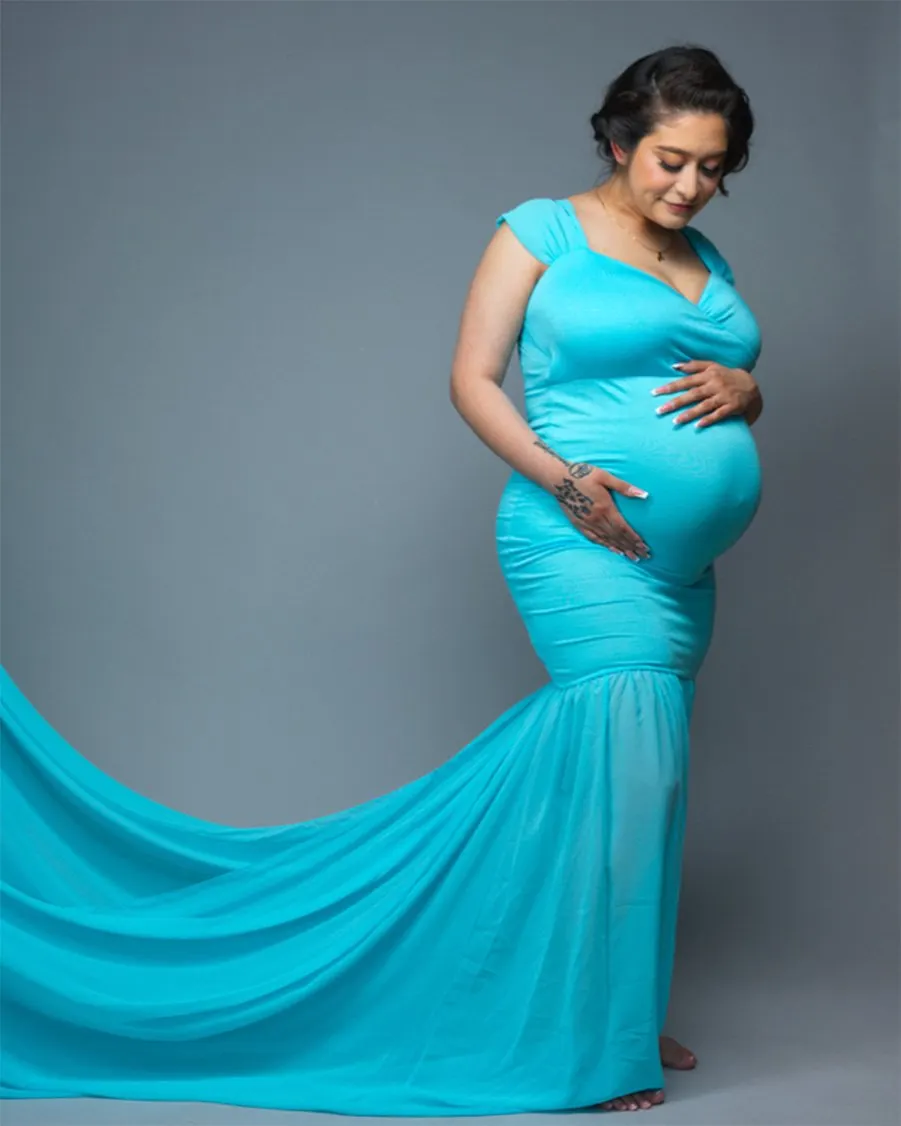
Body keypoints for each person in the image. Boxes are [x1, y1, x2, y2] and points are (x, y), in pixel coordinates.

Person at [0, 44, 762, 1118]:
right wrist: (563, 482)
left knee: (647, 788)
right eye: (669, 162)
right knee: (628, 775)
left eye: (713, 168)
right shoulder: (538, 231)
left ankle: (623, 1004)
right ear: (616, 142)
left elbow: (720, 384)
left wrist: (747, 390)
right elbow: (470, 377)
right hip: (577, 535)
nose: (689, 187)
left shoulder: (707, 254)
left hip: (687, 570)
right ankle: (580, 1032)